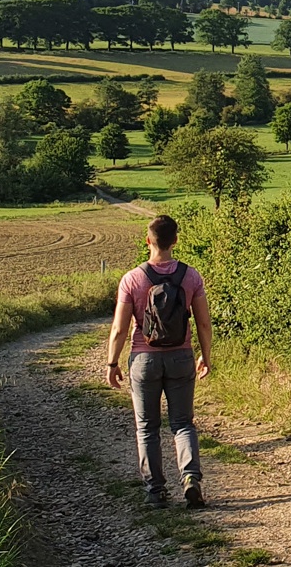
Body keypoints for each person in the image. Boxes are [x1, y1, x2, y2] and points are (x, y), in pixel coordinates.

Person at [104, 215, 214, 509]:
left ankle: (155, 491)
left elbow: (119, 328)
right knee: (182, 424)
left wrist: (112, 363)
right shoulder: (191, 277)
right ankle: (191, 480)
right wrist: (205, 355)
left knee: (147, 427)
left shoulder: (132, 279)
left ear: (147, 240)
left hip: (143, 360)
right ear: (175, 240)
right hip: (180, 357)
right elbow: (203, 324)